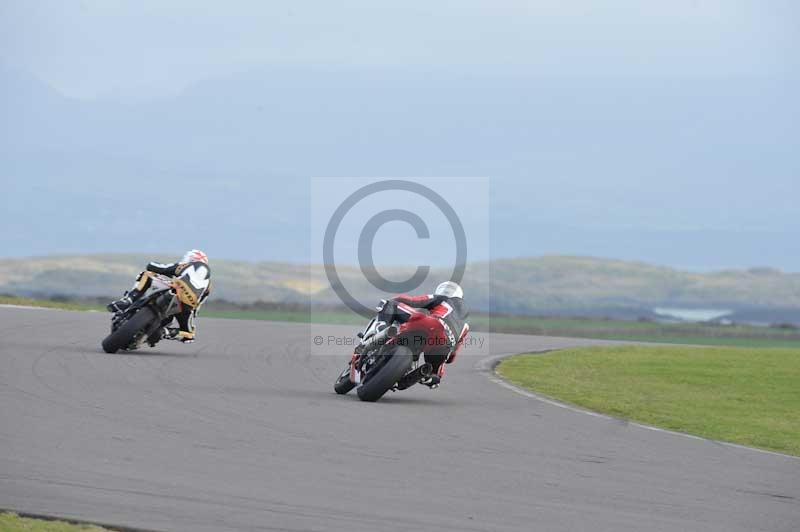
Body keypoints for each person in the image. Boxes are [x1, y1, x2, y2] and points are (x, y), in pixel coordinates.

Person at [376, 281, 470, 388]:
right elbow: (452, 357)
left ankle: (381, 328)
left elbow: (412, 301)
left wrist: (396, 299)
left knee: (390, 304)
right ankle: (428, 377)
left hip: (430, 323)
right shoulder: (465, 326)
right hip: (445, 344)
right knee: (435, 373)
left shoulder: (442, 298)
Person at [106, 250, 212, 343]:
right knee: (189, 335)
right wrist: (189, 314)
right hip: (187, 306)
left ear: (190, 259)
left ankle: (128, 300)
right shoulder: (208, 285)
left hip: (176, 289)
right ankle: (165, 332)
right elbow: (198, 305)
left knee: (147, 274)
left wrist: (154, 266)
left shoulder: (187, 266)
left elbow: (158, 267)